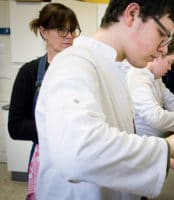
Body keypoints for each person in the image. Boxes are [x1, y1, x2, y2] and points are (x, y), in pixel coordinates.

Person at [34, 1, 174, 199]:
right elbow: (78, 153)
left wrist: (161, 158)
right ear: (132, 14)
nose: (163, 50)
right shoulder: (73, 64)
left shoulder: (116, 68)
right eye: (162, 35)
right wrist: (166, 148)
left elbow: (114, 139)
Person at [7, 3, 81, 199]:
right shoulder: (29, 73)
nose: (70, 36)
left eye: (73, 30)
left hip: (80, 159)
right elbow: (15, 127)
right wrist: (59, 130)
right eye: (62, 29)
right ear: (43, 32)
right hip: (45, 159)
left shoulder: (83, 70)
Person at [127, 38, 174, 138]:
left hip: (158, 140)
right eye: (169, 62)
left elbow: (170, 100)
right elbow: (155, 117)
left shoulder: (156, 78)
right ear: (158, 56)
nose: (169, 68)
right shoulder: (138, 76)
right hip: (145, 142)